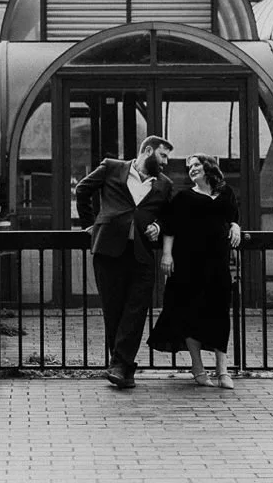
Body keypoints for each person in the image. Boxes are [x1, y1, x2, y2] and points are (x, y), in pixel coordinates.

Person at [74, 135, 175, 390]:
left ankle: (119, 365)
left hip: (141, 254)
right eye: (163, 156)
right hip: (108, 250)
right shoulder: (111, 167)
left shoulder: (164, 185)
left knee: (136, 310)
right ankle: (123, 368)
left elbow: (168, 217)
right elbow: (82, 190)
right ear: (148, 150)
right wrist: (91, 224)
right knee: (113, 310)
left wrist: (157, 225)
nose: (165, 162)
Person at [148, 154, 243, 389]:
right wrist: (167, 255)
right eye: (189, 167)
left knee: (220, 313)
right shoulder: (183, 197)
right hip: (188, 263)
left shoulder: (226, 193)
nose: (192, 170)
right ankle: (198, 368)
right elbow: (170, 227)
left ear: (209, 167)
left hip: (217, 264)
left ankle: (223, 371)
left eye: (196, 165)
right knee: (189, 314)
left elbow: (232, 217)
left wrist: (236, 226)